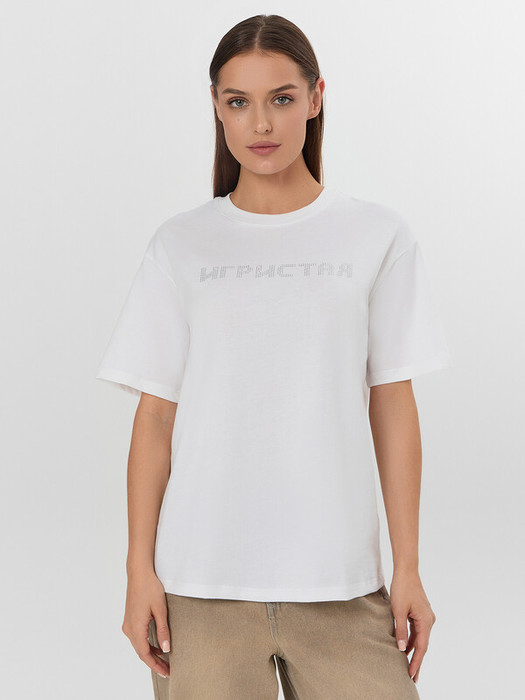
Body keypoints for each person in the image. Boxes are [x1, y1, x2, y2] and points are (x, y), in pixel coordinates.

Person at [95, 14, 452, 700]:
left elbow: (392, 404)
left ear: (316, 98)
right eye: (239, 101)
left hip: (341, 585)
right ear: (216, 106)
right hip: (199, 587)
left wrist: (406, 566)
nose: (260, 123)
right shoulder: (181, 245)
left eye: (281, 98)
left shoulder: (376, 236)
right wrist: (139, 571)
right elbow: (155, 419)